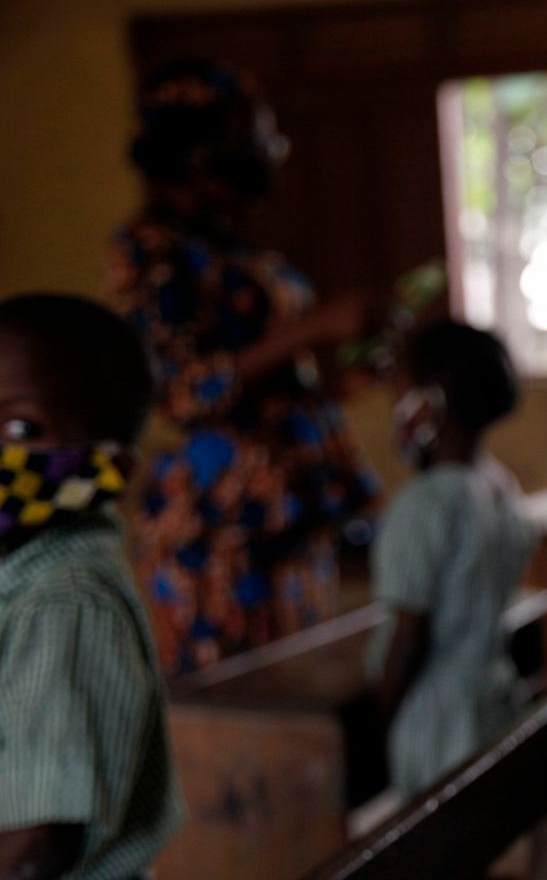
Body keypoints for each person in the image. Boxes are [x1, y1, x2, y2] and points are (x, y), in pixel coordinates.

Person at [109, 57, 379, 673]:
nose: (272, 153)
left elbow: (272, 389)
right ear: (199, 153)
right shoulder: (150, 251)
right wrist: (312, 327)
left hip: (290, 510)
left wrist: (341, 378)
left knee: (297, 690)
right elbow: (179, 392)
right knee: (242, 708)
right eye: (258, 139)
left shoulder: (236, 248)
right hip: (220, 528)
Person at [0, 295, 184, 879]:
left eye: (21, 428)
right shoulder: (24, 579)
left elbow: (37, 846)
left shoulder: (65, 602)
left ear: (109, 469)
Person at [367, 320, 538, 798]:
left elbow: (408, 639)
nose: (394, 403)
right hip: (493, 701)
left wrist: (382, 718)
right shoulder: (501, 487)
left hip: (437, 720)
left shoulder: (424, 504)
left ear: (432, 402)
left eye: (401, 387)